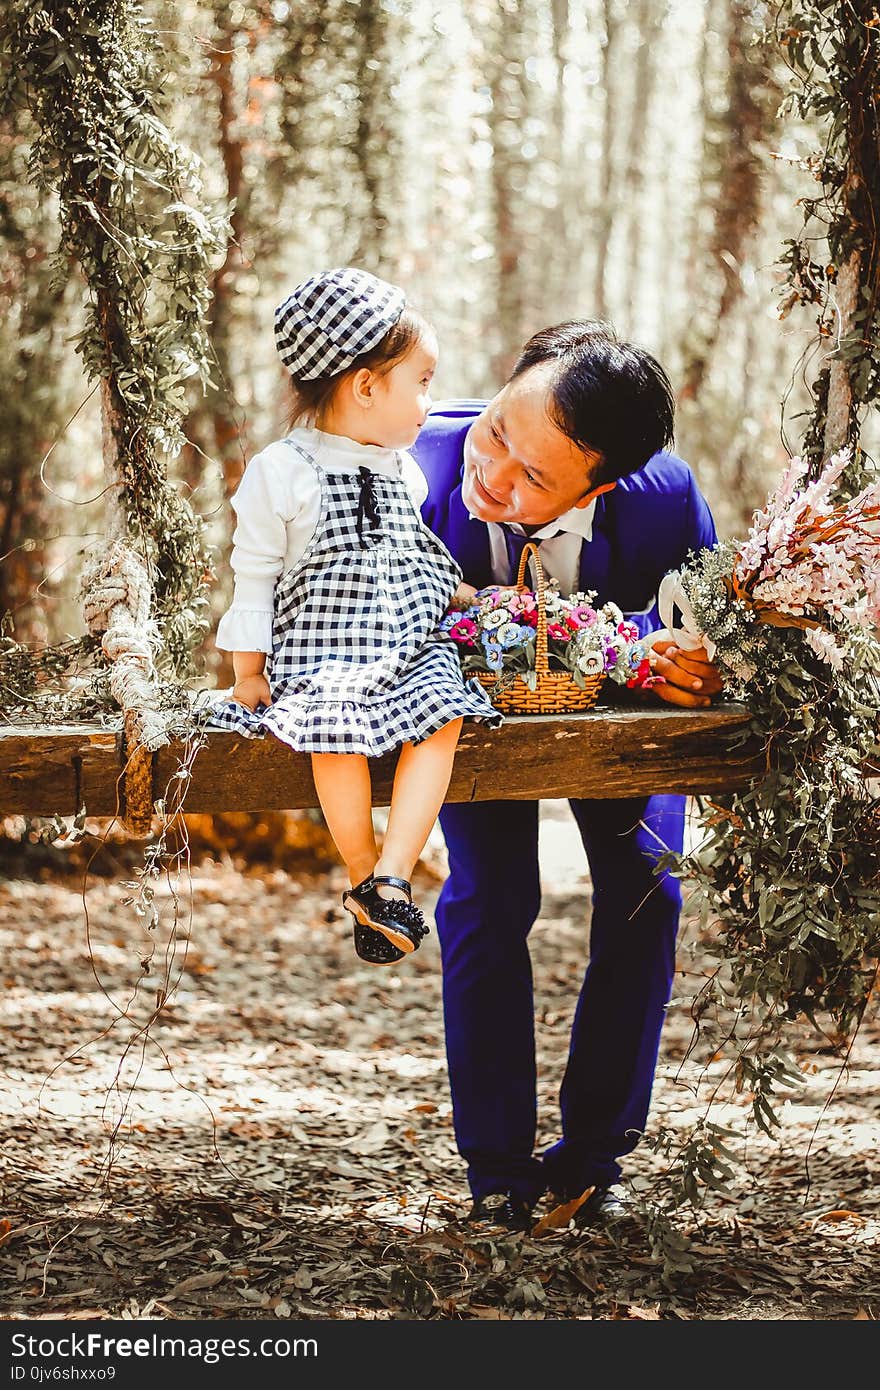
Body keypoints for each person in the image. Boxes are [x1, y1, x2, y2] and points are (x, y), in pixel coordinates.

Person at [411, 319, 723, 1229]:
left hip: (623, 728)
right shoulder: (413, 466)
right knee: (490, 898)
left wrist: (692, 660)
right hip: (469, 726)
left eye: (535, 477)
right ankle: (497, 1166)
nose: (494, 476)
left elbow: (710, 633)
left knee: (648, 896)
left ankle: (594, 1157)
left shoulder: (664, 497)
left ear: (605, 483)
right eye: (499, 430)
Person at [207, 266, 500, 966]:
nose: (430, 403)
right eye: (421, 382)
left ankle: (394, 873)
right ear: (366, 387)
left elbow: (415, 562)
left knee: (445, 712)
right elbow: (253, 577)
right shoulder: (283, 471)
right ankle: (362, 873)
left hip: (403, 649)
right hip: (323, 654)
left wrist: (472, 604)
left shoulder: (405, 472)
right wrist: (249, 673)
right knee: (331, 730)